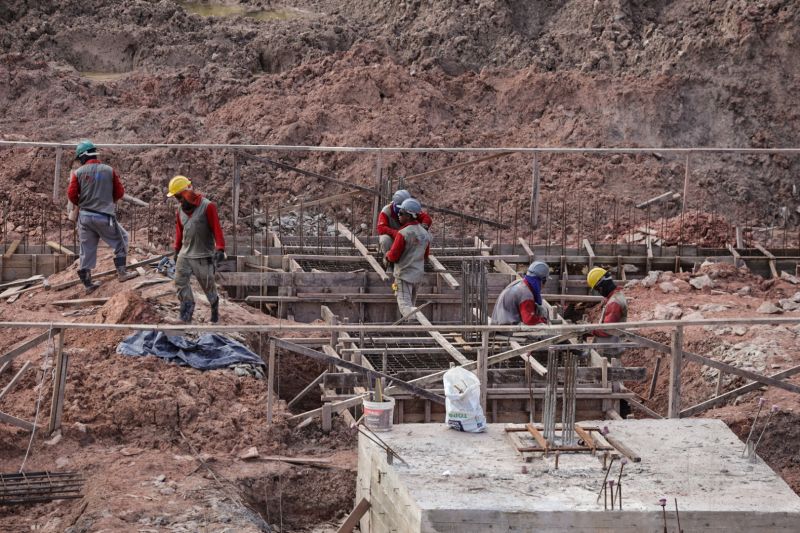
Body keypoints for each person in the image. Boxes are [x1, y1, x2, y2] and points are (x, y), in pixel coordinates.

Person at [67, 139, 137, 294]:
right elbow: (119, 193)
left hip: (84, 217)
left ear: (83, 157)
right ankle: (122, 273)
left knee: (86, 248)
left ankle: (88, 284)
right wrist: (107, 201)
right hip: (103, 216)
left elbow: (71, 195)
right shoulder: (108, 170)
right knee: (122, 239)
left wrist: (84, 202)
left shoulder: (78, 173)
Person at [167, 175, 226, 323]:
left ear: (186, 192)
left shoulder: (207, 206)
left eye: (179, 197)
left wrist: (220, 248)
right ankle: (186, 314)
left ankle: (214, 308)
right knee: (180, 282)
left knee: (208, 287)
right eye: (176, 198)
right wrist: (176, 249)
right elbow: (180, 231)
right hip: (185, 254)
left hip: (202, 255)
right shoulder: (180, 210)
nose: (179, 201)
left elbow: (216, 229)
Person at [384, 198, 431, 317]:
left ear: (409, 216)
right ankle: (413, 326)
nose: (399, 216)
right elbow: (425, 255)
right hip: (417, 276)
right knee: (411, 306)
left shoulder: (403, 233)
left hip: (404, 275)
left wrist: (387, 257)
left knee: (406, 308)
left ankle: (418, 325)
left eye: (401, 213)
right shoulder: (425, 234)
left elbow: (394, 256)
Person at [491, 261, 550, 325]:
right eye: (545, 282)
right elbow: (529, 320)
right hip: (506, 328)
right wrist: (542, 320)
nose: (544, 286)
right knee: (543, 331)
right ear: (541, 281)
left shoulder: (520, 283)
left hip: (500, 321)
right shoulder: (526, 294)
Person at [377, 189, 433, 256]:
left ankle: (418, 258)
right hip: (394, 238)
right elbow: (381, 228)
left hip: (409, 237)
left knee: (426, 234)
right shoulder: (386, 211)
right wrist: (395, 233)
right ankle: (389, 261)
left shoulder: (410, 208)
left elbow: (426, 218)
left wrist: (423, 228)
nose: (400, 212)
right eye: (400, 210)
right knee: (385, 240)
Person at [585, 267, 628, 349]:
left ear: (602, 285)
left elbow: (606, 331)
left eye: (598, 289)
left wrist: (589, 329)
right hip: (610, 345)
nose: (599, 292)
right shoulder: (616, 296)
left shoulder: (614, 303)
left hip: (610, 349)